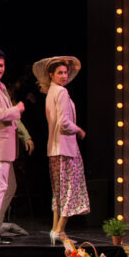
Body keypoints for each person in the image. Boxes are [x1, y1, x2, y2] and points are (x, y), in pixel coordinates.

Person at [0, 48, 33, 245]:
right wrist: (16, 109)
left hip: (5, 146)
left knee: (9, 187)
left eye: (1, 66)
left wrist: (23, 133)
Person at [33, 56, 89, 245]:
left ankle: (56, 229)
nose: (64, 76)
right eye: (60, 73)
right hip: (65, 148)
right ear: (51, 74)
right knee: (69, 189)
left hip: (55, 149)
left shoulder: (51, 92)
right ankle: (60, 229)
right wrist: (79, 130)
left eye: (65, 73)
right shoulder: (61, 92)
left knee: (59, 191)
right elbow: (64, 123)